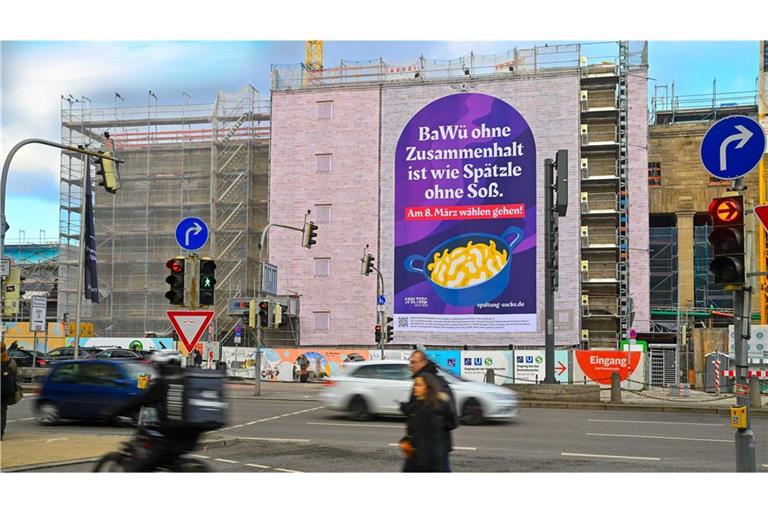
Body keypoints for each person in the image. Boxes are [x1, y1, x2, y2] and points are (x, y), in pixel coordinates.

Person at [109, 351, 204, 471]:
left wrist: (114, 412)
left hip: (171, 438)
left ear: (161, 366)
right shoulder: (189, 380)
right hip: (193, 436)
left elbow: (139, 402)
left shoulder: (163, 383)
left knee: (142, 468)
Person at [407, 350, 458, 471]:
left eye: (414, 362)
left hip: (435, 449)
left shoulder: (434, 383)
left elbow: (451, 418)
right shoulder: (420, 382)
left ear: (423, 363)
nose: (411, 365)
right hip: (419, 446)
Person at [399, 373, 452, 472]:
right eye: (415, 384)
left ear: (428, 388)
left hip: (421, 462)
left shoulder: (425, 410)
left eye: (419, 385)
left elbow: (424, 440)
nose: (415, 388)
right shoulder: (432, 405)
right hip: (432, 459)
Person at [1, 342, 20, 440]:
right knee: (3, 412)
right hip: (5, 390)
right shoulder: (10, 362)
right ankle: (0, 433)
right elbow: (15, 374)